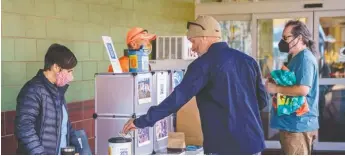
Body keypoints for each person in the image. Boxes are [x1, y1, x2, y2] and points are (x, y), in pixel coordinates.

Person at [122, 15, 269, 155]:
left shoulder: (202, 65)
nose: (192, 48)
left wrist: (142, 121)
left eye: (193, 41)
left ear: (204, 37)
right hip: (253, 143)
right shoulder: (249, 61)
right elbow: (262, 102)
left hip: (224, 146)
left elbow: (176, 100)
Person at [15, 43, 81, 155]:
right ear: (56, 67)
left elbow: (66, 125)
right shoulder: (32, 90)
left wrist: (77, 149)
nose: (71, 77)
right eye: (69, 71)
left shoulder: (58, 91)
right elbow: (24, 129)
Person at [265, 20, 319, 155]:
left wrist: (276, 89)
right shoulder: (295, 57)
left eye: (286, 37)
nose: (283, 41)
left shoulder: (305, 59)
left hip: (297, 125)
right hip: (291, 124)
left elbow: (303, 89)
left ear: (299, 38)